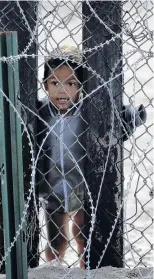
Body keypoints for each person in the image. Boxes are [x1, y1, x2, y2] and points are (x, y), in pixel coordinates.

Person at [35, 45, 147, 268]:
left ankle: (84, 266)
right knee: (56, 238)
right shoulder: (41, 113)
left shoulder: (90, 111)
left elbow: (114, 124)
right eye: (55, 83)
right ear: (45, 85)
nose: (62, 91)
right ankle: (53, 268)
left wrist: (133, 117)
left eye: (71, 83)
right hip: (53, 183)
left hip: (84, 181)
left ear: (81, 86)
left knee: (82, 232)